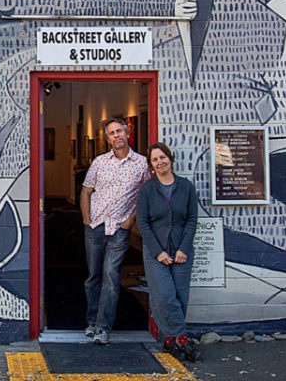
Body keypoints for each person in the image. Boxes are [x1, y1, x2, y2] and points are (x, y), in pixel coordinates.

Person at [80, 117, 151, 344]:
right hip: (96, 227)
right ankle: (91, 320)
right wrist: (86, 220)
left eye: (119, 131)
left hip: (119, 229)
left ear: (128, 132)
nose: (116, 136)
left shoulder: (141, 164)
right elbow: (85, 192)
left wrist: (130, 221)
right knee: (94, 275)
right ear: (107, 138)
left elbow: (146, 197)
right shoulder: (99, 162)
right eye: (111, 133)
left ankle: (103, 326)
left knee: (111, 275)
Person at [136, 142, 200, 361]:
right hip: (156, 252)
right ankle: (181, 337)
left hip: (182, 250)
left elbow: (192, 219)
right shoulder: (147, 189)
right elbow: (142, 222)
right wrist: (158, 251)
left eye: (162, 157)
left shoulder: (186, 187)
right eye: (155, 160)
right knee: (164, 295)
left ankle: (170, 340)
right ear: (151, 165)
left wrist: (183, 248)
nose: (160, 162)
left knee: (181, 296)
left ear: (170, 159)